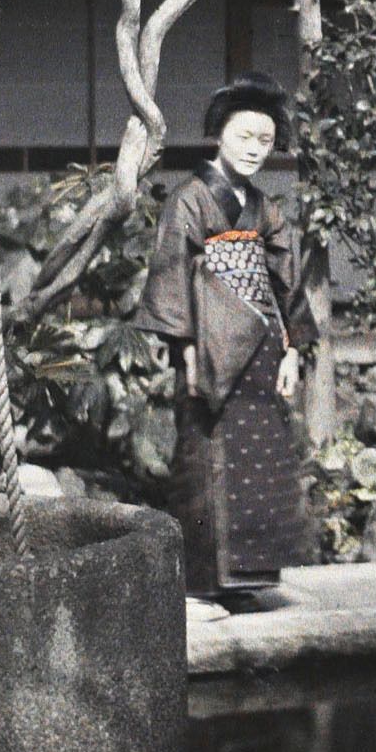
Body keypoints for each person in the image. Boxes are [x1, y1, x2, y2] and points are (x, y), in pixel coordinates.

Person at [136, 72, 316, 609]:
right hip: (208, 349)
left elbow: (288, 282)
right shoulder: (189, 201)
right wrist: (186, 351)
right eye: (244, 137)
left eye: (265, 141)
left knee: (258, 459)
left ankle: (250, 579)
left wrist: (293, 350)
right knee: (204, 458)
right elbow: (170, 274)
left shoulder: (267, 210)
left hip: (261, 349)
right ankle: (201, 586)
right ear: (219, 136)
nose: (255, 150)